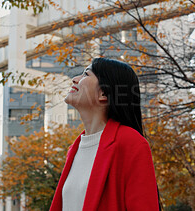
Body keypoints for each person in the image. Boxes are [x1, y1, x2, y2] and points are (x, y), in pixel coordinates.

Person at [50, 58, 160, 211]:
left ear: (103, 93)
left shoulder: (131, 143)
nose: (75, 79)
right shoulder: (74, 149)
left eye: (85, 74)